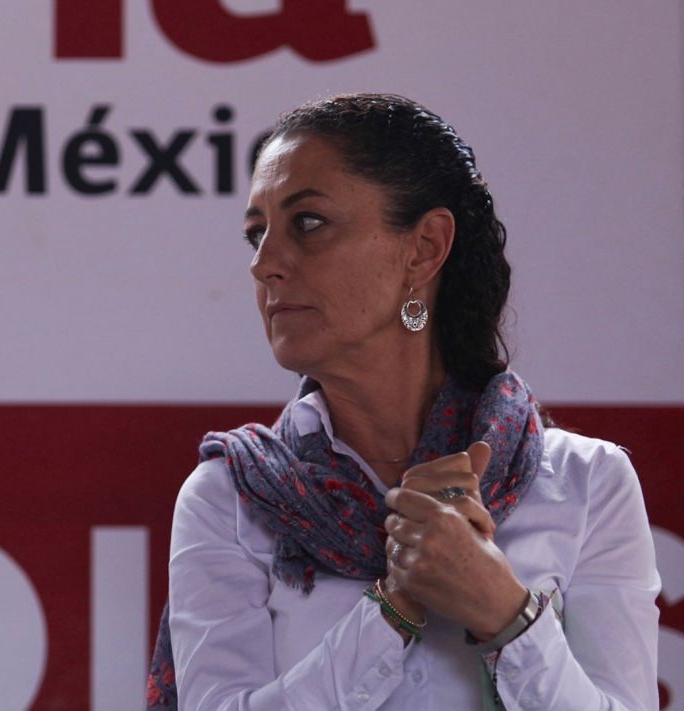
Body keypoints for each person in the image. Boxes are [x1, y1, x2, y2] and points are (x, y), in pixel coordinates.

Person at [147, 93, 659, 709]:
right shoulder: (231, 497)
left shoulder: (587, 482)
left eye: (307, 223)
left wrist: (504, 611)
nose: (264, 265)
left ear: (424, 248)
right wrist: (394, 607)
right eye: (257, 234)